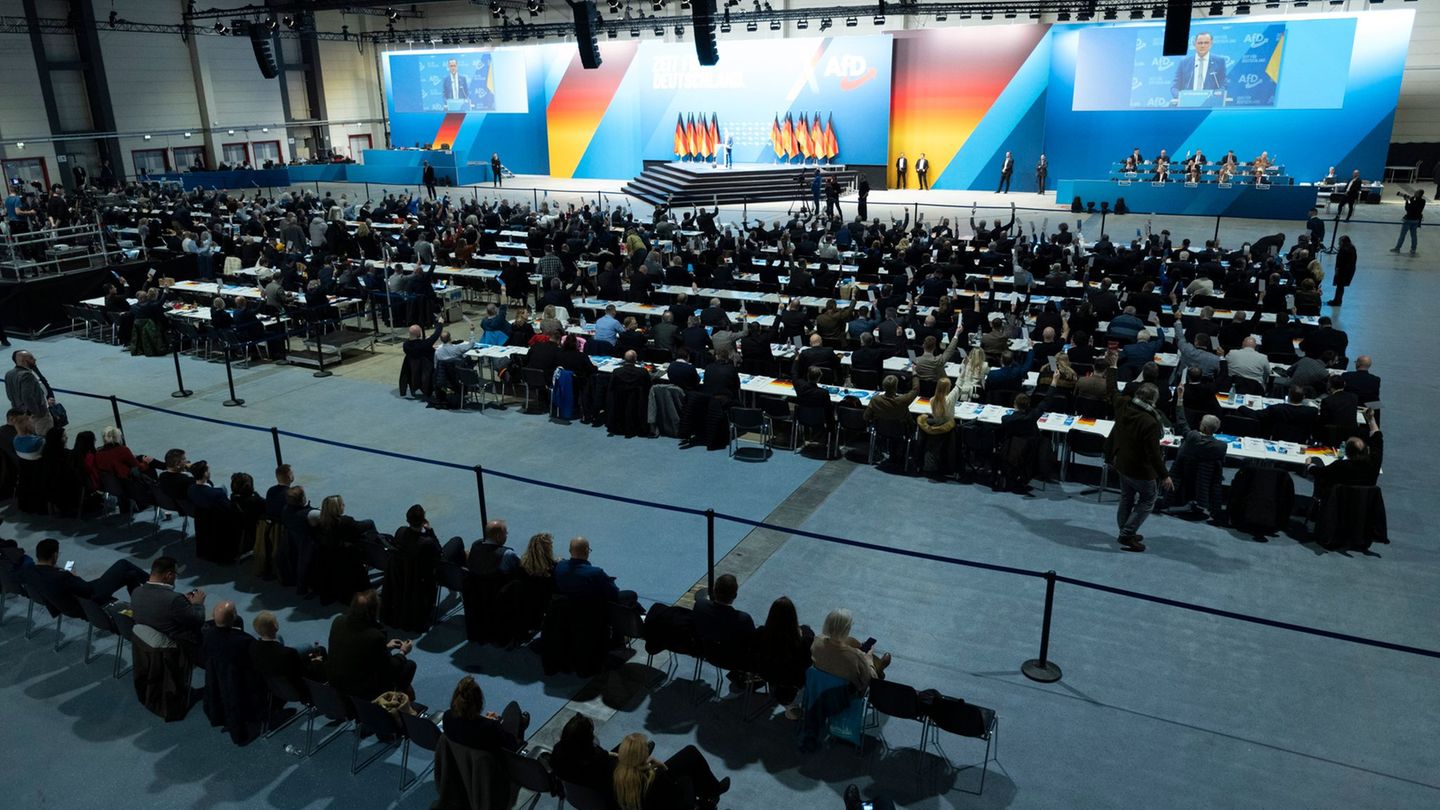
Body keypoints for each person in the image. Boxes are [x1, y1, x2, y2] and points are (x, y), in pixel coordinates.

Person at [1104, 372, 1172, 553]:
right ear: (1153, 400)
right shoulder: (1150, 422)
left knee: (1126, 497)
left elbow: (1111, 390)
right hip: (1140, 469)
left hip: (1121, 462)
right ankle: (1127, 533)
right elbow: (1153, 453)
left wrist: (1112, 367)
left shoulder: (1123, 404)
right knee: (1148, 499)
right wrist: (1164, 475)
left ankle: (1125, 529)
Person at [20, 537, 148, 617]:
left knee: (131, 575)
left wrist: (58, 571)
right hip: (89, 601)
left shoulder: (30, 572)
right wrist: (72, 576)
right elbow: (86, 589)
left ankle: (141, 606)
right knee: (123, 564)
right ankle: (153, 583)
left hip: (71, 601)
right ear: (54, 555)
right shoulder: (61, 576)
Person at [327, 589, 416, 699]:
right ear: (374, 612)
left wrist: (385, 647)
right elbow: (389, 668)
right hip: (360, 692)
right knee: (409, 665)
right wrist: (403, 652)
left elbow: (356, 648)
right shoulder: (374, 635)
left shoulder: (338, 620)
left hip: (335, 683)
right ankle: (396, 701)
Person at [613, 731, 730, 810]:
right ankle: (710, 797)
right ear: (643, 759)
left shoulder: (617, 774)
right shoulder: (654, 779)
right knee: (686, 777)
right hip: (670, 803)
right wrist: (662, 768)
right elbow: (676, 794)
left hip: (650, 801)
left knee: (689, 754)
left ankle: (711, 793)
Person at [751, 596, 814, 719]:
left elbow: (754, 654)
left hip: (768, 676)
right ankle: (795, 704)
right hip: (795, 681)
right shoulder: (806, 637)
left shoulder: (760, 634)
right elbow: (809, 662)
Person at [130, 556, 206, 654]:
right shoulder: (174, 599)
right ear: (169, 575)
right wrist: (197, 604)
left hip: (147, 645)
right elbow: (198, 620)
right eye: (176, 574)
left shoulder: (136, 592)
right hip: (178, 649)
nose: (175, 578)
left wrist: (183, 603)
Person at [441, 675, 530, 753]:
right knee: (513, 708)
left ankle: (521, 723)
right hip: (493, 764)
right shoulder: (489, 727)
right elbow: (511, 745)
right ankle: (521, 725)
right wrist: (496, 723)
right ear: (479, 702)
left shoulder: (447, 716)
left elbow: (469, 724)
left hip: (461, 761)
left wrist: (484, 720)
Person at [811, 608, 891, 693]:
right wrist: (869, 660)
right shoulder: (856, 657)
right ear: (847, 629)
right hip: (843, 701)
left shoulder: (816, 641)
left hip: (816, 692)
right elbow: (872, 680)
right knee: (879, 672)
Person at [693, 573, 756, 677]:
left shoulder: (700, 605)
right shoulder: (743, 619)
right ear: (735, 596)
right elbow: (752, 645)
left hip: (707, 653)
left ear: (714, 591)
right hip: (735, 662)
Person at [249, 609, 327, 685]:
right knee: (321, 650)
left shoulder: (253, 646)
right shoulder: (289, 653)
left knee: (279, 637)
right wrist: (316, 663)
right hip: (296, 683)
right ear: (276, 626)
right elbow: (304, 673)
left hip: (275, 683)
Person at [554, 536, 635, 605]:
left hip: (568, 610)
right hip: (593, 612)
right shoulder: (596, 573)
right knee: (631, 594)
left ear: (570, 550)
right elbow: (614, 593)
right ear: (586, 551)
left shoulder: (560, 566)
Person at [549, 714, 616, 792]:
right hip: (599, 797)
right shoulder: (598, 758)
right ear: (587, 739)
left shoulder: (557, 750)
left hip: (572, 795)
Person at [5, 350, 53, 434]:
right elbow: (27, 397)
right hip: (36, 415)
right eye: (31, 358)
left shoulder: (9, 374)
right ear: (24, 361)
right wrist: (39, 413)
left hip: (21, 413)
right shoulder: (27, 375)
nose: (35, 359)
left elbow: (10, 395)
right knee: (44, 437)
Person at [1171, 31, 1227, 100]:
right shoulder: (1184, 62)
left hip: (1209, 102)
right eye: (1200, 43)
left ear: (1211, 44)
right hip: (1188, 102)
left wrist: (1217, 95)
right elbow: (1175, 86)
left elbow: (1223, 84)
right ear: (1194, 44)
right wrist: (1180, 96)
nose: (1202, 46)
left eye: (1206, 43)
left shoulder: (1219, 61)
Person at [1390, 189, 1425, 255]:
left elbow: (1408, 209)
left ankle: (1397, 248)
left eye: (1416, 192)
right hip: (1416, 220)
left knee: (1402, 235)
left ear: (1419, 194)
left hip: (1408, 220)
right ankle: (1413, 249)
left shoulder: (1412, 200)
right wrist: (1410, 200)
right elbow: (1414, 204)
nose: (1414, 192)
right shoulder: (1423, 201)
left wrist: (1407, 201)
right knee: (1414, 236)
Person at [1329, 235, 1357, 305]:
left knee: (1340, 286)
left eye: (1340, 241)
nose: (1339, 243)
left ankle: (1337, 301)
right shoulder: (1352, 248)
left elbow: (1340, 261)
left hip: (1342, 271)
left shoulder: (1343, 250)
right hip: (1349, 270)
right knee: (1341, 286)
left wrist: (1337, 270)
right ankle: (1338, 300)